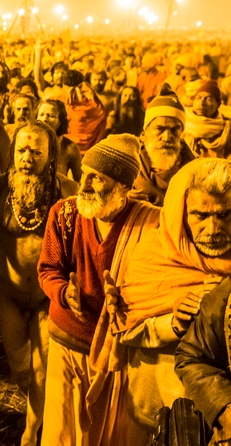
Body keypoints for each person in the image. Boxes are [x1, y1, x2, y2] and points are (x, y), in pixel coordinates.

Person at [91, 158, 231, 444]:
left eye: (225, 214)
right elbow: (125, 328)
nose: (213, 228)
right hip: (160, 412)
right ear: (180, 211)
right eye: (200, 215)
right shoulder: (151, 255)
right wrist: (173, 323)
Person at [37, 134, 159, 445]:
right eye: (85, 174)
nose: (85, 184)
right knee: (61, 435)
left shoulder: (149, 225)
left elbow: (156, 281)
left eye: (98, 178)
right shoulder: (64, 214)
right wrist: (64, 293)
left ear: (123, 187)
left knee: (111, 437)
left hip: (118, 354)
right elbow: (48, 269)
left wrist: (130, 298)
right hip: (67, 345)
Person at [0, 121, 78, 445]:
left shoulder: (67, 192)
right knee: (21, 371)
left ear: (51, 156)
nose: (27, 159)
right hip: (9, 293)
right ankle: (37, 407)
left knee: (41, 369)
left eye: (36, 152)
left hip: (46, 296)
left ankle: (30, 433)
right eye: (21, 151)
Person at [131, 84, 195, 206]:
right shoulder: (128, 164)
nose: (167, 137)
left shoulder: (194, 168)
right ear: (145, 131)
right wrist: (125, 201)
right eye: (159, 129)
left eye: (174, 130)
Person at [37, 99, 82, 182]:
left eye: (50, 115)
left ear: (60, 121)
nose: (44, 119)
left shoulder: (70, 148)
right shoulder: (27, 141)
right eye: (41, 115)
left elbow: (80, 181)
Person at [184, 80, 231, 158]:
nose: (202, 103)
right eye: (198, 98)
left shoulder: (226, 131)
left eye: (208, 99)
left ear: (217, 104)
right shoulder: (182, 123)